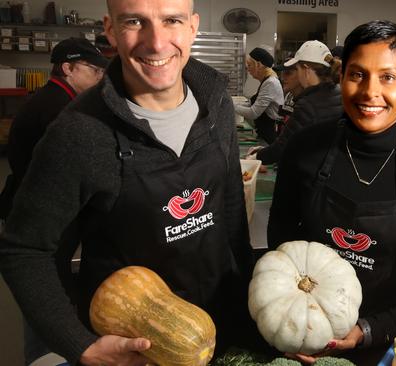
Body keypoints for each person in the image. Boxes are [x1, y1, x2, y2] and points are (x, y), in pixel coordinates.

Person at [0, 0, 255, 365]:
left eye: (172, 20)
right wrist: (79, 345)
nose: (156, 42)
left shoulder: (215, 99)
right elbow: (25, 250)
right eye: (136, 21)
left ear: (193, 27)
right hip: (137, 349)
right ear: (111, 30)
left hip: (220, 325)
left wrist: (247, 299)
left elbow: (230, 201)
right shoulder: (79, 133)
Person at [268, 20, 396, 365]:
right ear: (342, 77)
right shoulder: (305, 150)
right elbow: (280, 244)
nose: (369, 92)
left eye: (388, 77)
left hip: (385, 337)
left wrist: (368, 329)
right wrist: (290, 328)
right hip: (299, 332)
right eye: (357, 74)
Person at [0, 36, 107, 366]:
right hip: (39, 219)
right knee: (46, 292)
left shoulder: (53, 99)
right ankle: (44, 357)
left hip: (27, 206)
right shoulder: (59, 112)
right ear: (68, 68)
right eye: (93, 70)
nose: (100, 78)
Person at [247, 40, 343, 165]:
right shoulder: (338, 93)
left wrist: (254, 158)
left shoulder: (309, 104)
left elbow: (283, 147)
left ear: (306, 70)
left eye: (297, 69)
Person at [235, 47, 285, 144]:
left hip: (269, 136)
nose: (248, 69)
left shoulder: (271, 83)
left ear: (259, 65)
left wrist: (231, 106)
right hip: (264, 133)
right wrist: (235, 104)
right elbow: (250, 103)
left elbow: (253, 113)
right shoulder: (266, 81)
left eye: (249, 65)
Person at [273, 56, 304, 128]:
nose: (282, 78)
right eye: (282, 73)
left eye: (288, 73)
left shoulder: (306, 103)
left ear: (301, 74)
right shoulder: (288, 95)